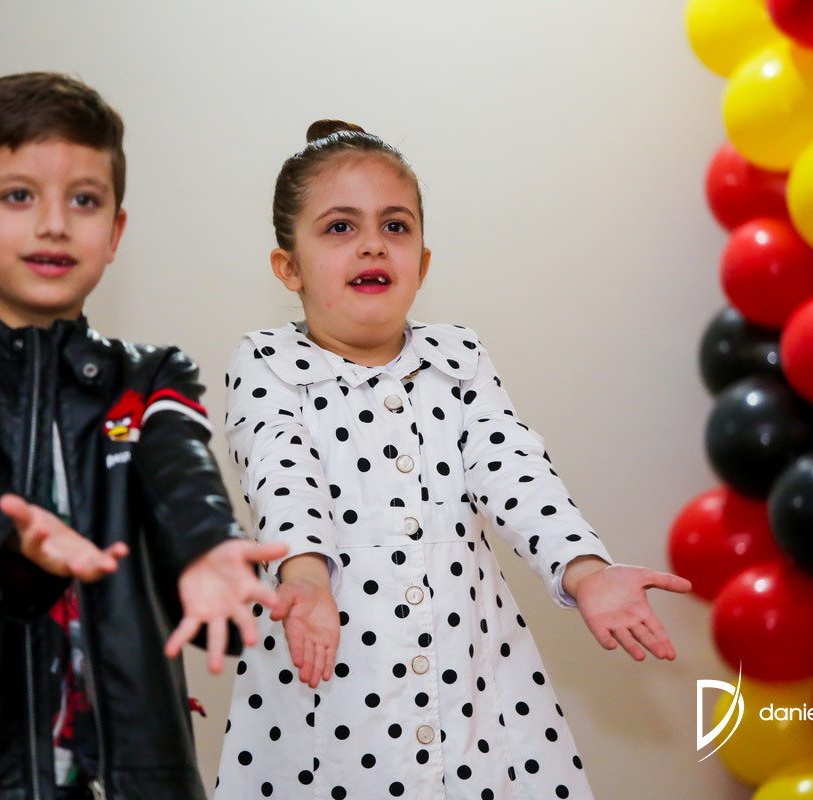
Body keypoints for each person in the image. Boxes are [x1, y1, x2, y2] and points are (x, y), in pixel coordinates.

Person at [213, 120, 693, 799]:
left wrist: (585, 569)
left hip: (467, 675)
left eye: (396, 226)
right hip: (330, 657)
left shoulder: (457, 358)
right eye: (340, 227)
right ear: (288, 266)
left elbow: (513, 467)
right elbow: (279, 472)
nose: (373, 243)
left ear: (424, 263)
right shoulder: (269, 363)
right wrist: (307, 577)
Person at [0, 72, 285, 800]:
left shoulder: (155, 376)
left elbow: (180, 471)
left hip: (139, 776)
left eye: (84, 200)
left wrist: (208, 545)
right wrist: (15, 538)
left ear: (115, 233)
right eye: (18, 195)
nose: (55, 223)